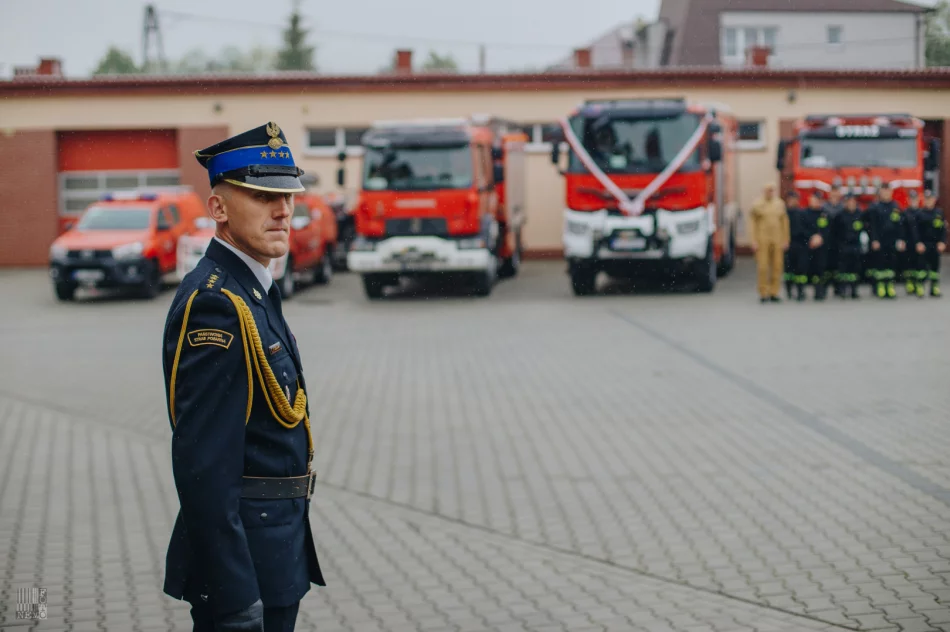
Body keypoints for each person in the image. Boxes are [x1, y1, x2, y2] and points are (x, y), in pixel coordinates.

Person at [161, 122, 325, 632]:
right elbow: (204, 466)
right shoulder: (217, 302)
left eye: (288, 196)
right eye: (261, 196)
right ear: (218, 208)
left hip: (275, 549)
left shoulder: (253, 287)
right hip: (245, 566)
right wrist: (235, 599)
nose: (282, 210)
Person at [866, 184, 909, 299]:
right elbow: (872, 226)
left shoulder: (895, 207)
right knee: (880, 263)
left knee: (891, 263)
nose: (886, 194)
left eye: (888, 191)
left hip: (892, 240)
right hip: (879, 240)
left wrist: (901, 239)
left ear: (891, 192)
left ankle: (889, 286)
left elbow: (899, 225)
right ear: (880, 193)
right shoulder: (875, 207)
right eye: (883, 191)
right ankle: (880, 286)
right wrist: (874, 239)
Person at [749, 182, 789, 303]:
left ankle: (774, 292)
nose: (770, 192)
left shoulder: (779, 204)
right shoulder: (757, 205)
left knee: (777, 266)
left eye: (772, 190)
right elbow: (752, 224)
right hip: (762, 239)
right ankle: (763, 292)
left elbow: (785, 223)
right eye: (768, 190)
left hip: (777, 238)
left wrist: (786, 239)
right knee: (763, 266)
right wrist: (753, 240)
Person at [914, 190, 947, 297]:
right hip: (924, 244)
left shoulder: (939, 213)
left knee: (935, 268)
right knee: (921, 269)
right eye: (927, 199)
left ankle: (934, 288)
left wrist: (942, 242)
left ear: (934, 200)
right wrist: (918, 243)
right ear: (924, 200)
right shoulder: (919, 214)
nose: (929, 201)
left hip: (935, 244)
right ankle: (920, 287)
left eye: (931, 199)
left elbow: (943, 229)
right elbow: (915, 231)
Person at [831, 194, 864, 299]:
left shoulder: (859, 214)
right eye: (848, 201)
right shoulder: (840, 215)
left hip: (855, 245)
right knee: (842, 270)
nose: (850, 203)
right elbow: (834, 232)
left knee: (855, 269)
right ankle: (842, 290)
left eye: (852, 201)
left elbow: (865, 228)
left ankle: (854, 290)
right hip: (843, 246)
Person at [802, 192, 832, 301]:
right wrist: (811, 237)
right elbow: (802, 228)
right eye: (814, 199)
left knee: (820, 269)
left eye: (819, 200)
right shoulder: (804, 213)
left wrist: (820, 237)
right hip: (808, 246)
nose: (816, 202)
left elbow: (827, 229)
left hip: (821, 246)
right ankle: (801, 291)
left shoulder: (824, 214)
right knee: (805, 268)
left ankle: (819, 291)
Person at [901, 190, 923, 295]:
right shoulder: (905, 213)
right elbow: (901, 228)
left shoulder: (922, 213)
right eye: (911, 199)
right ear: (908, 200)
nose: (913, 201)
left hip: (919, 243)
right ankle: (909, 283)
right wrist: (902, 240)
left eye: (915, 199)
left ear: (918, 200)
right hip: (908, 242)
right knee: (908, 264)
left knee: (919, 264)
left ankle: (918, 284)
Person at [783, 192, 804, 299]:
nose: (792, 201)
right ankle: (789, 291)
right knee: (788, 270)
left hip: (799, 244)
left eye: (794, 199)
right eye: (790, 199)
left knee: (800, 269)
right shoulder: (783, 213)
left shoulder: (801, 213)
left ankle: (800, 291)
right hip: (787, 244)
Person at [824, 187, 845, 297]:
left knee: (839, 266)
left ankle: (839, 288)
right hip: (827, 241)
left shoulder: (843, 208)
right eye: (833, 194)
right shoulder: (824, 208)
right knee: (826, 266)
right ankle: (825, 288)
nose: (834, 196)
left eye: (837, 194)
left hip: (840, 241)